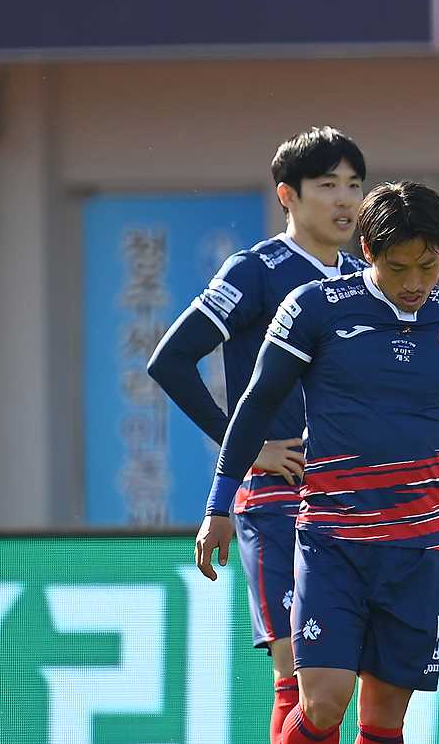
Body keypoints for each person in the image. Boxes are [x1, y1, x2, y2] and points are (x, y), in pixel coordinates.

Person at [195, 181, 439, 744]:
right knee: (323, 704)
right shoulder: (313, 308)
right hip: (331, 545)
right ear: (368, 251)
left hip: (417, 552)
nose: (415, 282)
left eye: (428, 265)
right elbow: (257, 403)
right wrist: (218, 505)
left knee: (385, 720)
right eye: (399, 268)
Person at [148, 126, 367, 742]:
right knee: (301, 683)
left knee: (349, 686)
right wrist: (244, 448)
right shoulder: (255, 271)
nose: (346, 199)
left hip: (353, 501)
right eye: (328, 185)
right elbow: (170, 360)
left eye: (355, 185)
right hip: (278, 502)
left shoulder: (362, 276)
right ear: (287, 195)